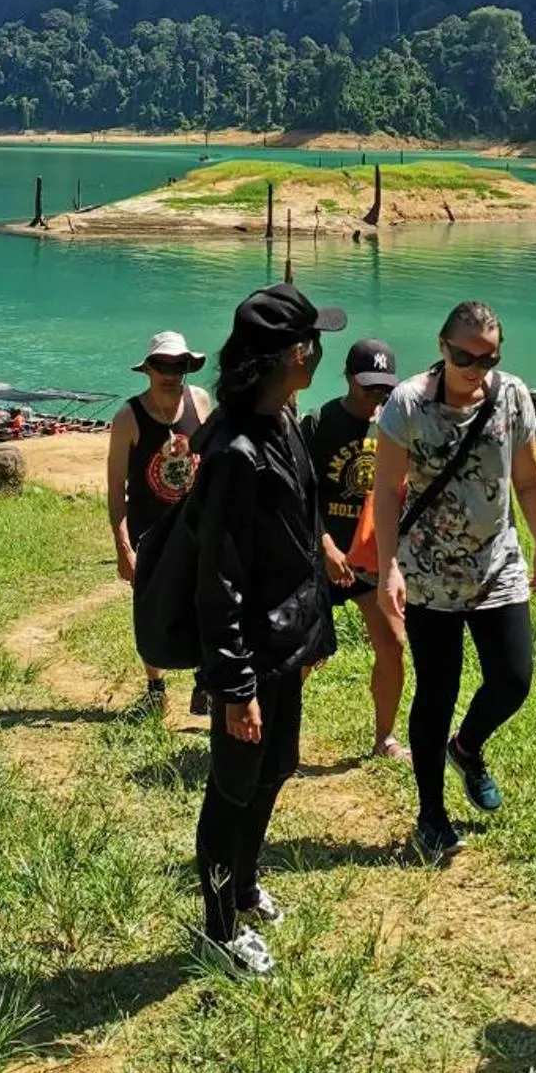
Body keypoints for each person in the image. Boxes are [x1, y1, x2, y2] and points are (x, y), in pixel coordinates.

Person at [193, 285, 344, 977]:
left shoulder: (284, 424)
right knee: (231, 790)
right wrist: (232, 686)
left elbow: (299, 543)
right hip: (248, 654)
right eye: (316, 343)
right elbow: (216, 578)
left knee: (274, 770)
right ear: (294, 354)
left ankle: (245, 884)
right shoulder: (233, 452)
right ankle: (217, 928)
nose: (321, 354)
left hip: (285, 644)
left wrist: (311, 640)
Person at [374, 300, 536, 862]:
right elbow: (386, 491)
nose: (475, 366)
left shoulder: (513, 396)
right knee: (437, 690)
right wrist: (388, 569)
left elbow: (527, 477)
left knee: (514, 679)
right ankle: (431, 816)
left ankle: (468, 747)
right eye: (463, 355)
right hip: (428, 573)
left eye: (488, 356)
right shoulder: (406, 404)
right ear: (441, 346)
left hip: (498, 563)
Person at [301, 336, 408, 760]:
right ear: (347, 378)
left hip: (369, 559)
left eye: (386, 389)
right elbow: (301, 493)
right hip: (320, 556)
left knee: (393, 643)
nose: (377, 397)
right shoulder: (319, 422)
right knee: (305, 653)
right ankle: (274, 731)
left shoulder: (395, 427)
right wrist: (325, 545)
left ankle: (385, 738)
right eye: (369, 388)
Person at [108, 330, 213, 717]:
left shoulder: (200, 402)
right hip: (148, 532)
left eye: (179, 366)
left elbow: (215, 458)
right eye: (163, 366)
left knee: (207, 602)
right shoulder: (128, 418)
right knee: (149, 611)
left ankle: (206, 682)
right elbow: (115, 490)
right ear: (148, 369)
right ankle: (156, 688)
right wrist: (123, 548)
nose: (171, 374)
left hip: (196, 526)